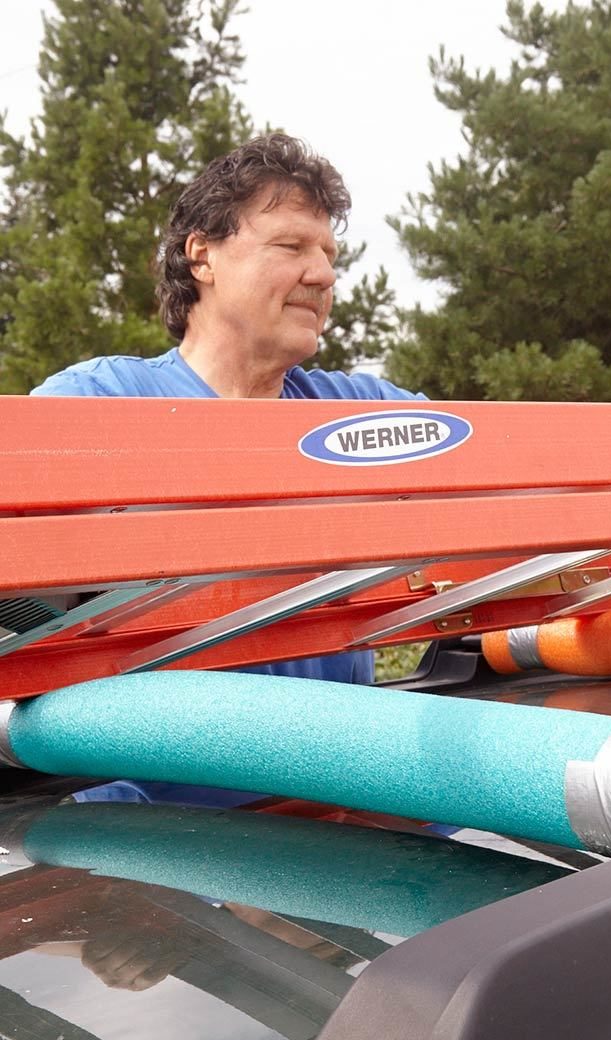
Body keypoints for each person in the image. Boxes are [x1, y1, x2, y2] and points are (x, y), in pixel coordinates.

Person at [32, 132, 423, 688]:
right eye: (291, 247)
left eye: (328, 254)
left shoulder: (357, 410)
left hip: (333, 770)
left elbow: (510, 474)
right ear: (203, 256)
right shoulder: (101, 400)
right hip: (144, 770)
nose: (324, 275)